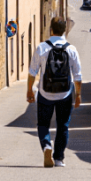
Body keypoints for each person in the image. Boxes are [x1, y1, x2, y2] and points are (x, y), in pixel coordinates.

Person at [27, 16, 83, 168]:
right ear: (65, 30)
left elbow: (32, 72)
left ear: (51, 29)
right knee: (63, 125)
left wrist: (29, 91)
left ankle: (46, 146)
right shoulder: (71, 49)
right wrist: (78, 95)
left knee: (43, 124)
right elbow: (77, 76)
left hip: (45, 93)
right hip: (65, 94)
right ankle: (59, 159)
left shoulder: (42, 48)